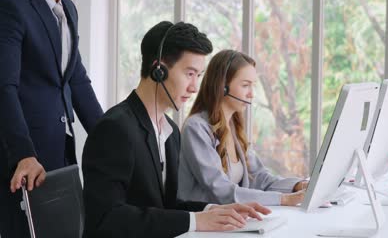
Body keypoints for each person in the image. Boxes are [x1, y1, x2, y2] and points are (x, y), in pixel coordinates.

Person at [82, 22, 271, 238]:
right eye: (189, 74)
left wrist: (213, 210)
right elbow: (107, 218)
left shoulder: (170, 131)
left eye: (198, 76)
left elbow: (168, 205)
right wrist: (195, 220)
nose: (194, 87)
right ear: (158, 70)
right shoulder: (115, 129)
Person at [0, 0, 103, 237]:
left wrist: (113, 140)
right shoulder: (10, 5)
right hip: (23, 160)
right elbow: (4, 87)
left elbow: (76, 81)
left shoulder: (68, 8)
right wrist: (24, 153)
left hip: (61, 155)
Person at [178, 50, 308, 206]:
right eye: (245, 85)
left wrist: (297, 186)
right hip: (203, 224)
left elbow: (259, 178)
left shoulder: (233, 127)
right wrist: (284, 199)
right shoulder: (196, 128)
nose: (251, 94)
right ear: (222, 87)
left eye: (252, 86)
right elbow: (221, 189)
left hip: (230, 221)